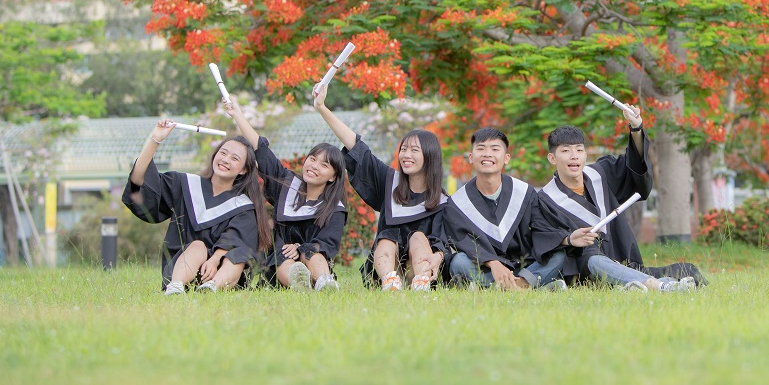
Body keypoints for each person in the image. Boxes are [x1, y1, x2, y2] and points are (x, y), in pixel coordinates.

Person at [531, 103, 704, 292]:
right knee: (593, 259)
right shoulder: (545, 200)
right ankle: (662, 286)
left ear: (585, 154)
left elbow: (634, 167)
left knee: (688, 270)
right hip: (587, 273)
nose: (574, 156)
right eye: (565, 151)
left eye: (579, 150)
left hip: (625, 264)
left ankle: (636, 284)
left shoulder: (601, 174)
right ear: (552, 158)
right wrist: (568, 239)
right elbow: (542, 236)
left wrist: (636, 128)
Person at [313, 82, 449, 291]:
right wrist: (322, 107)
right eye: (404, 149)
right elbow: (357, 148)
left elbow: (442, 242)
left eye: (414, 150)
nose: (406, 155)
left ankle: (419, 282)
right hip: (384, 267)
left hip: (421, 270)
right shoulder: (389, 181)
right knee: (387, 237)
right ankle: (390, 282)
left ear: (429, 157)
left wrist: (436, 258)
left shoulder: (441, 201)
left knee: (419, 237)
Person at [122, 119, 271, 294]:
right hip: (183, 267)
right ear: (215, 155)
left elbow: (236, 241)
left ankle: (212, 287)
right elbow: (140, 182)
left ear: (243, 170)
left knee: (237, 256)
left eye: (234, 158)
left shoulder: (244, 206)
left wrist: (214, 260)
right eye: (223, 153)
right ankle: (175, 287)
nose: (225, 160)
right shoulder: (186, 184)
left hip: (221, 273)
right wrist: (155, 140)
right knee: (198, 245)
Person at [223, 96, 347, 291]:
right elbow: (262, 152)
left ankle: (324, 281)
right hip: (281, 262)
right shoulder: (287, 185)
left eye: (324, 165)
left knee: (311, 253)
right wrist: (237, 115)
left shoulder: (334, 210)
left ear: (333, 177)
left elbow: (326, 245)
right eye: (312, 159)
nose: (314, 166)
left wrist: (299, 247)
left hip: (314, 262)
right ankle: (300, 285)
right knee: (285, 259)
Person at [444, 127, 566, 291]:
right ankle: (527, 288)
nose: (487, 154)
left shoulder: (525, 193)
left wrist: (568, 239)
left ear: (506, 158)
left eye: (495, 149)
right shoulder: (457, 203)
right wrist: (492, 262)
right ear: (471, 157)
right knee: (458, 262)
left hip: (525, 265)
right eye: (481, 148)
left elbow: (542, 231)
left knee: (558, 255)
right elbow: (463, 242)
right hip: (486, 268)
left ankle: (506, 286)